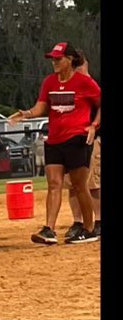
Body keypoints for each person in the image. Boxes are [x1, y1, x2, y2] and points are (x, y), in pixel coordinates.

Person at [9, 41, 101, 245]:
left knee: (79, 185)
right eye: (53, 59)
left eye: (58, 59)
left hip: (77, 137)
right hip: (55, 139)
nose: (54, 63)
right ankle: (49, 229)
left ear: (70, 60)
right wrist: (27, 114)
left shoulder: (84, 82)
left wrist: (94, 124)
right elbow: (41, 107)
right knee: (54, 184)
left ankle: (89, 228)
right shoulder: (49, 82)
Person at [62, 55, 101, 240]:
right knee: (72, 184)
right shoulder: (68, 86)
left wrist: (94, 125)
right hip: (69, 141)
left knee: (92, 183)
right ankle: (78, 222)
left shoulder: (91, 85)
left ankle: (98, 221)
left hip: (90, 140)